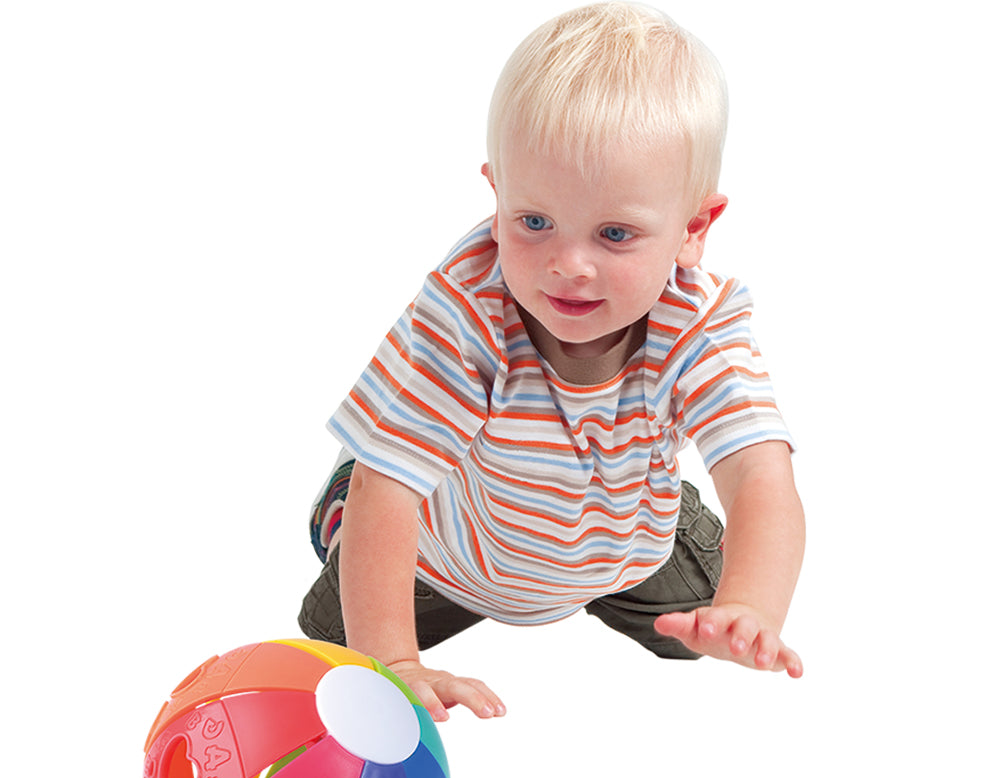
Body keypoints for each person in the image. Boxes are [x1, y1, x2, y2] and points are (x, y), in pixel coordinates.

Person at [299, 2, 805, 721]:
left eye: (615, 234)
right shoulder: (468, 311)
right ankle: (352, 474)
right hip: (454, 556)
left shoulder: (699, 322)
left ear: (693, 229)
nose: (569, 265)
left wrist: (752, 606)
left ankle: (638, 521)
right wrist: (397, 663)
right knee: (333, 646)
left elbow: (761, 473)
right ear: (498, 196)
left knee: (708, 630)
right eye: (534, 222)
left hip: (625, 545)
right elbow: (392, 491)